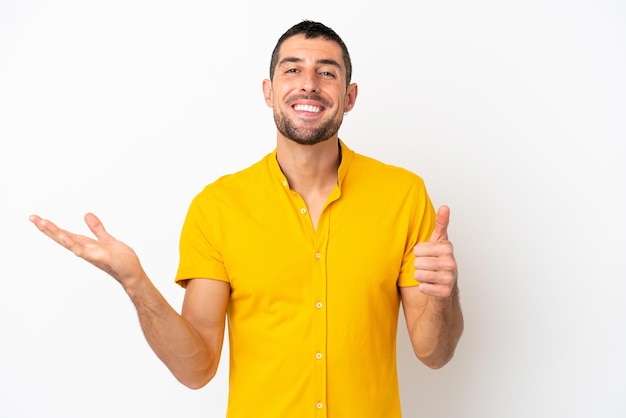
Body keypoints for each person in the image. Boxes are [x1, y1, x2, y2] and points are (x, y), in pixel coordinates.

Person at [30, 20, 463, 418]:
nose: (308, 85)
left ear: (349, 97)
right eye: (292, 70)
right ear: (268, 91)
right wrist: (136, 284)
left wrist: (445, 293)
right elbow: (197, 368)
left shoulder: (403, 195)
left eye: (327, 72)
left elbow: (434, 353)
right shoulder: (218, 207)